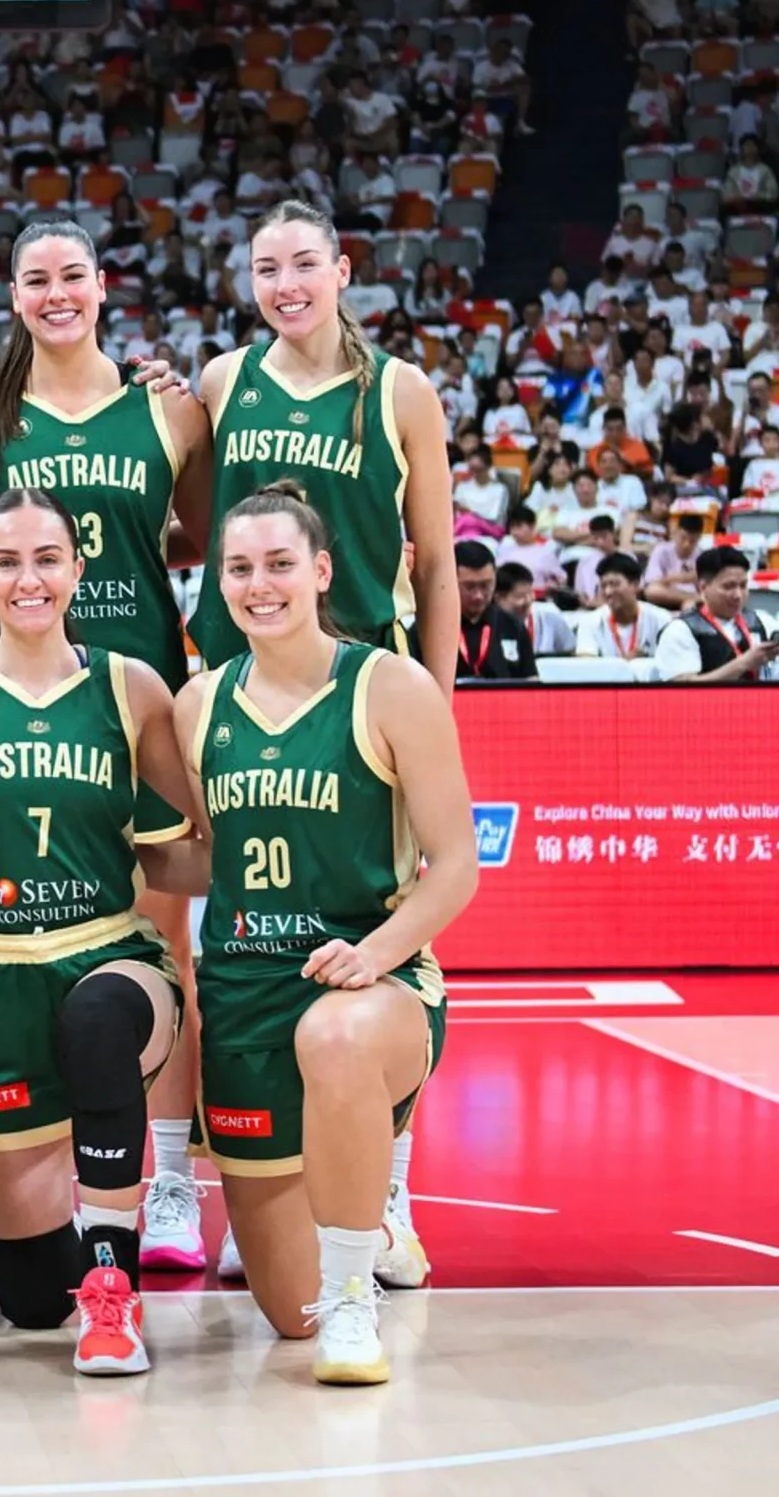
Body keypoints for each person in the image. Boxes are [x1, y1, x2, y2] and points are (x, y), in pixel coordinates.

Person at [0, 219, 218, 1277]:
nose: (56, 293)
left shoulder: (169, 407)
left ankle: (169, 1183)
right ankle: (51, 1176)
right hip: (13, 698)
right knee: (11, 940)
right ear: (11, 297)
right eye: (35, 280)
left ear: (103, 287)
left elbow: (193, 534)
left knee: (158, 943)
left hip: (131, 684)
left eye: (73, 276)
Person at [0, 489, 208, 1377]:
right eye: (6, 562)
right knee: (30, 1300)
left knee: (99, 1022)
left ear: (76, 568)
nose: (28, 579)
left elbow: (209, 836)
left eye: (46, 560)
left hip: (110, 955)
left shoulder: (131, 687)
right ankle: (80, 1238)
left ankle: (113, 1286)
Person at [171, 481, 475, 1385]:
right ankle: (357, 1232)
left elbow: (455, 865)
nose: (259, 585)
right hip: (243, 997)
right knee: (282, 1311)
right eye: (239, 568)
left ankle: (357, 1297)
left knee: (334, 1036)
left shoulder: (392, 685)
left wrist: (376, 954)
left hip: (373, 987)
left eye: (278, 565)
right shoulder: (199, 705)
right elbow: (206, 860)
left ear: (321, 571)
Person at [655, 545, 779, 681]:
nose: (738, 595)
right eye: (728, 586)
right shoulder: (681, 630)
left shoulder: (758, 619)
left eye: (743, 586)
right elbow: (684, 688)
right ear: (703, 587)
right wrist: (744, 663)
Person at [452, 540, 535, 680]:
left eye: (485, 585)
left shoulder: (513, 626)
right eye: (469, 587)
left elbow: (531, 680)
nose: (478, 595)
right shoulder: (428, 629)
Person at [573, 553, 671, 662]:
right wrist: (626, 662)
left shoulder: (661, 619)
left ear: (635, 585)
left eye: (614, 584)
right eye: (603, 586)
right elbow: (586, 666)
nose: (608, 591)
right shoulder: (590, 622)